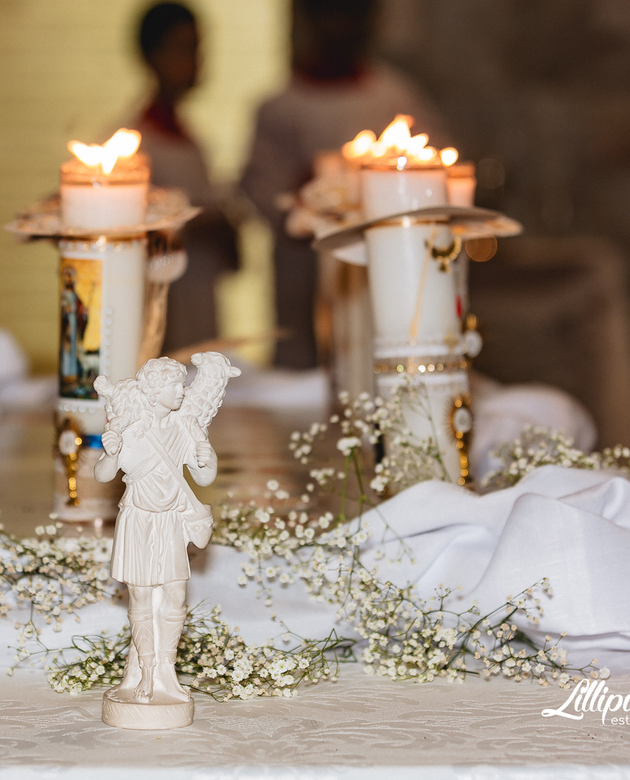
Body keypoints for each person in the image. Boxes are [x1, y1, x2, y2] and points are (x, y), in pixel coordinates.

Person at [240, 0, 447, 368]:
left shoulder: (393, 96)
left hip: (379, 259)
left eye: (347, 15)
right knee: (304, 359)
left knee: (373, 347)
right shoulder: (279, 107)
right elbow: (259, 187)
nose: (337, 27)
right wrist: (300, 195)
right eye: (327, 15)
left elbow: (435, 168)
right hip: (301, 266)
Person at [93, 352, 238, 707]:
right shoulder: (131, 431)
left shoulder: (183, 428)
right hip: (139, 520)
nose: (182, 391)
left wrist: (207, 456)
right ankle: (145, 671)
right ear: (155, 390)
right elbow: (103, 475)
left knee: (175, 595)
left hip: (171, 521)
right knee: (141, 598)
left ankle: (166, 671)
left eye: (182, 384)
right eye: (175, 385)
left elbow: (203, 478)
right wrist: (110, 453)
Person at [133, 2, 240, 353]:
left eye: (197, 48)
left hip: (200, 292)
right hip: (166, 307)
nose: (194, 60)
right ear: (151, 56)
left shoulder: (192, 139)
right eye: (181, 48)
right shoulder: (136, 145)